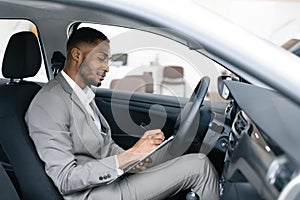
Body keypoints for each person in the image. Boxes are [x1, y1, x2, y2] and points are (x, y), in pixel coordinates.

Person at [25, 27, 219, 200]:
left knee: (183, 149)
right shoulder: (49, 103)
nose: (107, 68)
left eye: (108, 60)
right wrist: (129, 157)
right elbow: (65, 179)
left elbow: (105, 147)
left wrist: (137, 157)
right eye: (101, 58)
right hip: (98, 193)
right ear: (77, 55)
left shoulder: (81, 92)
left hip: (111, 178)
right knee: (199, 166)